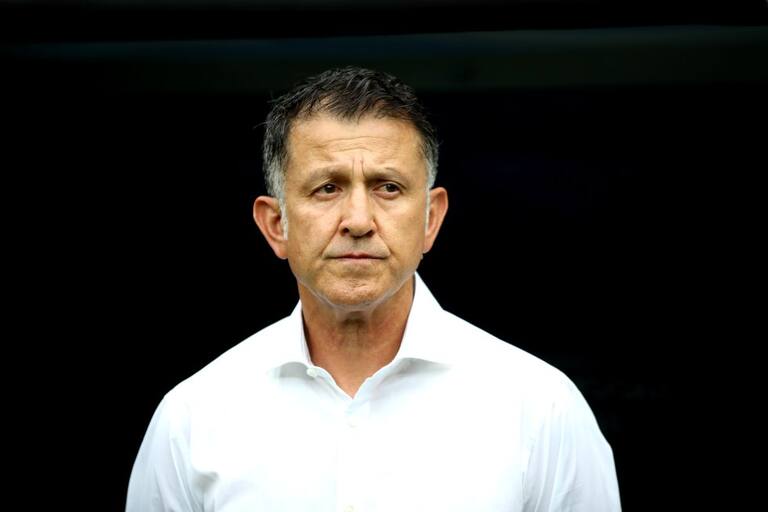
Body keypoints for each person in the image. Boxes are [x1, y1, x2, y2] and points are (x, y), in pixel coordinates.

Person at [126, 66, 621, 512]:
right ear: (276, 225)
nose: (359, 221)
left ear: (430, 219)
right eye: (327, 188)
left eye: (388, 187)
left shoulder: (541, 409)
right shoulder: (192, 419)